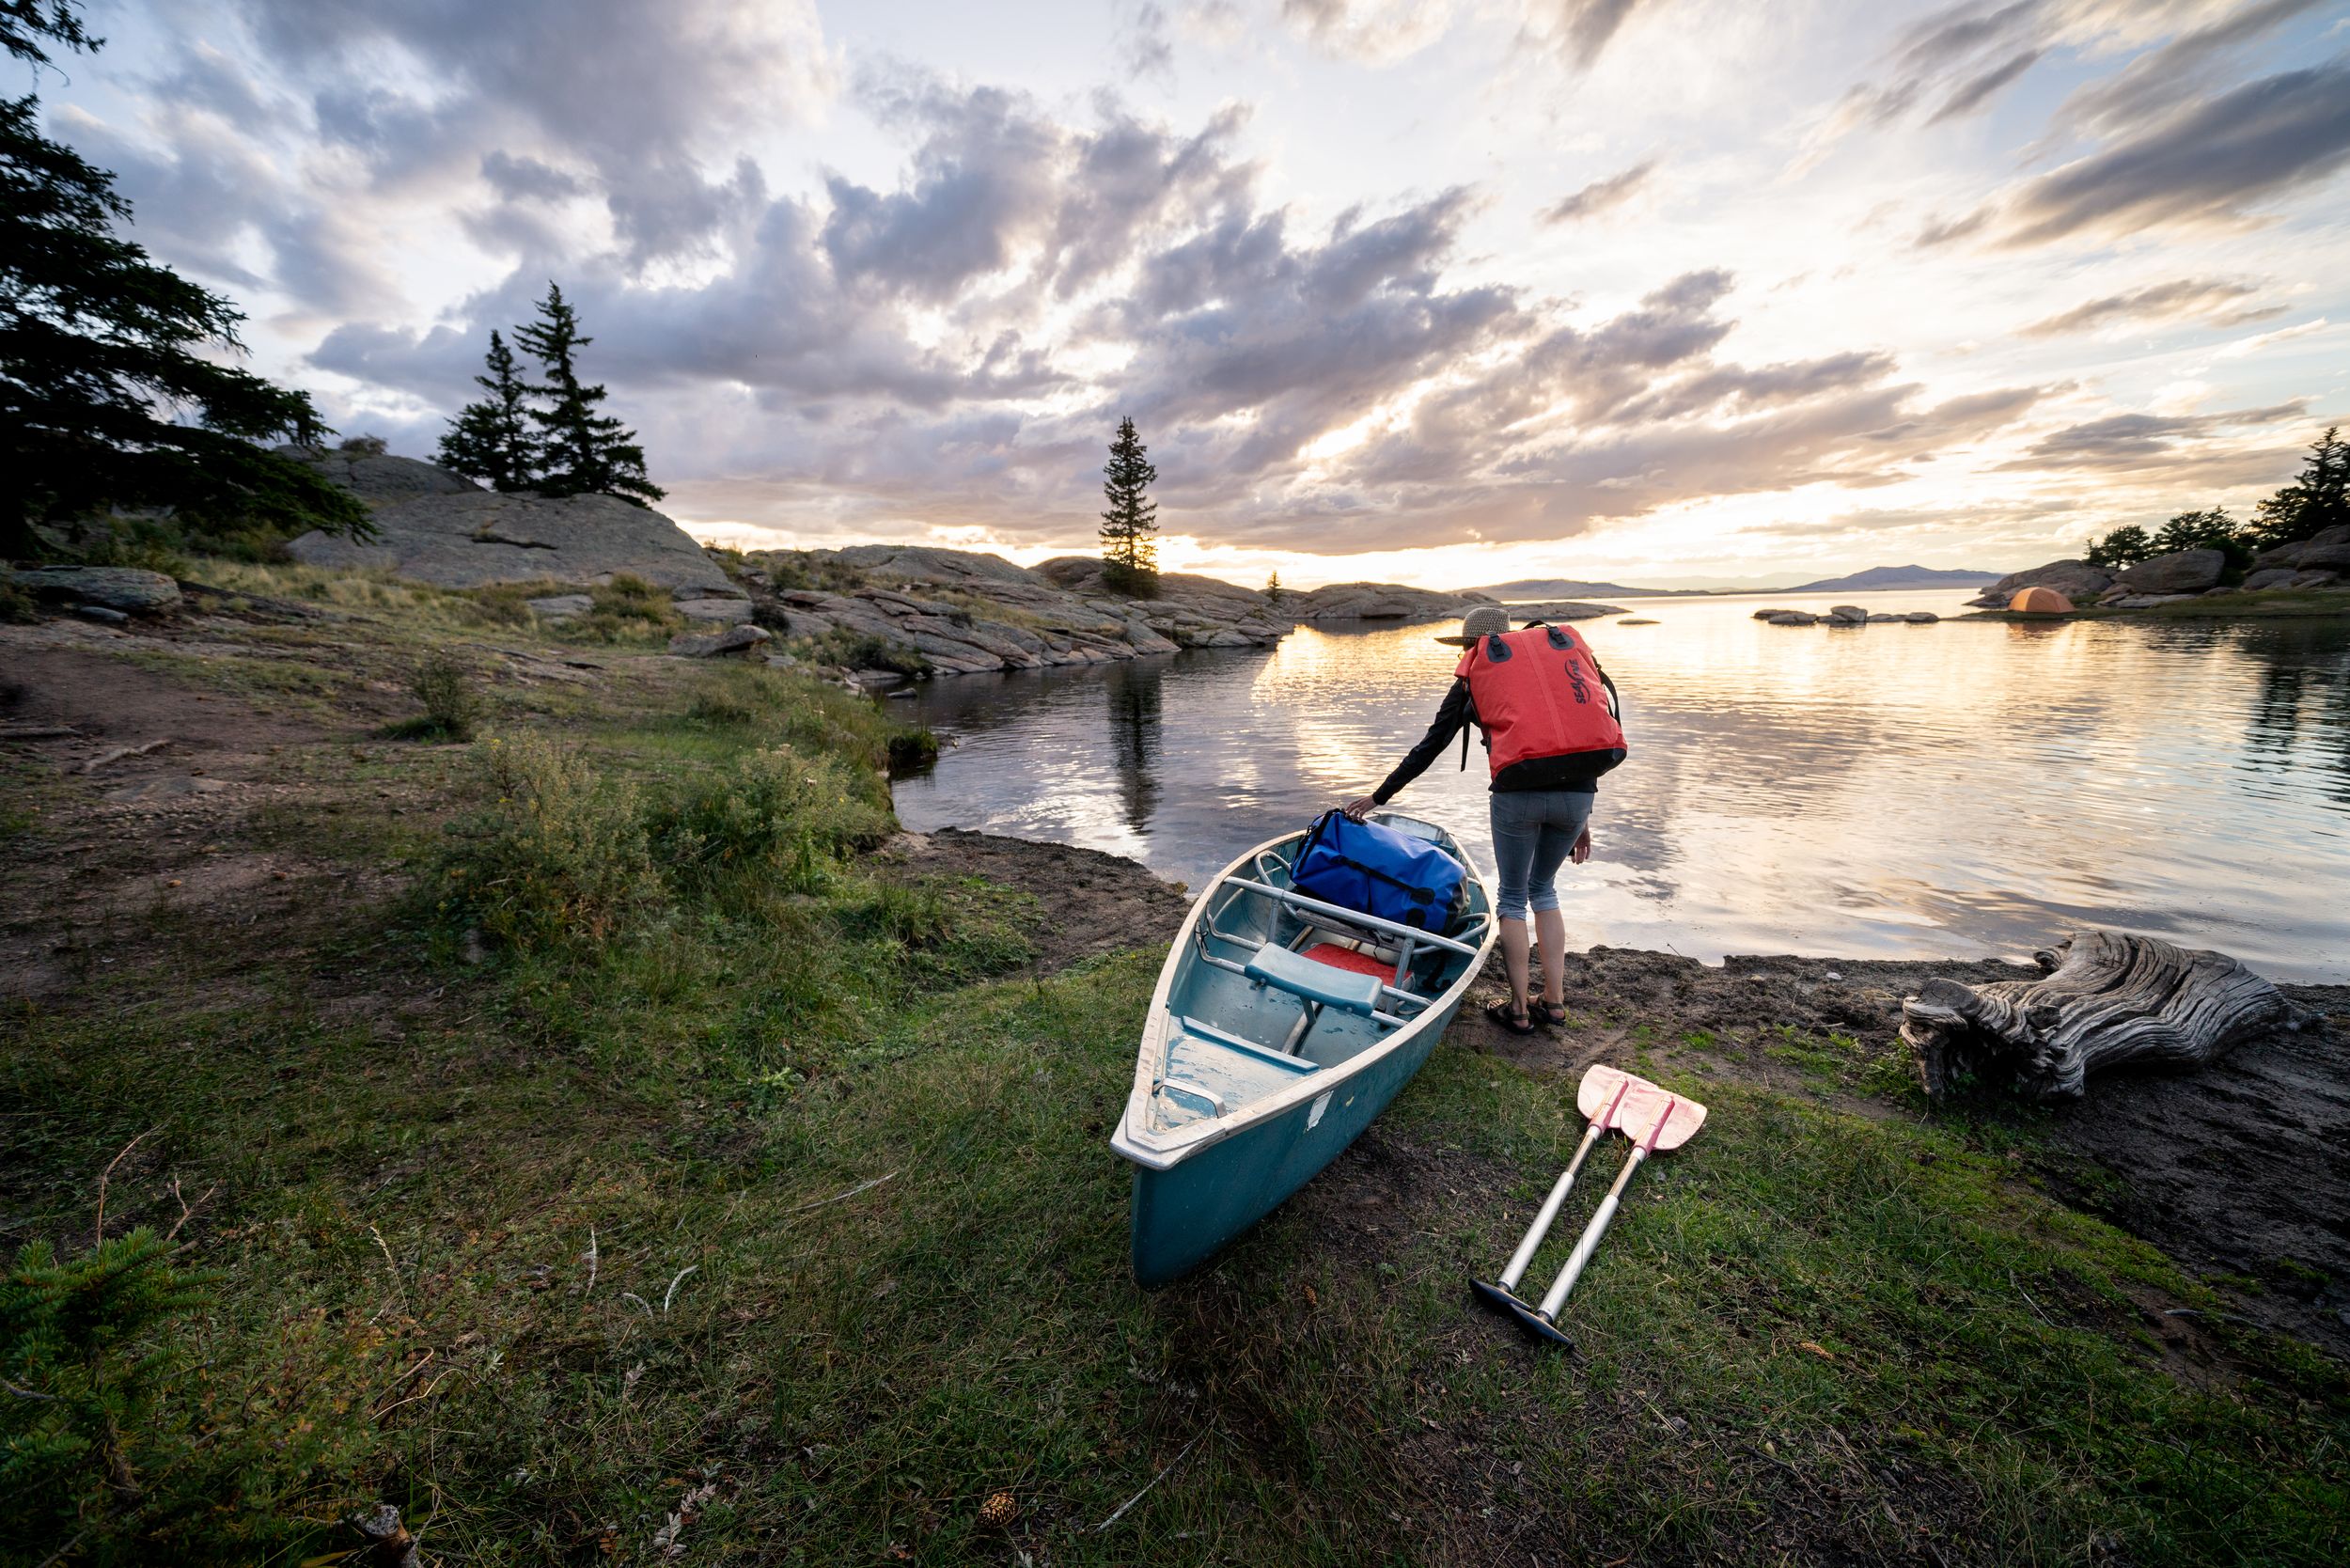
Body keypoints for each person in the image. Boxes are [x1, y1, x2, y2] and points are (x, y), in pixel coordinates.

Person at [1342, 604, 1626, 1034]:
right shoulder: (1547, 670)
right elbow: (1571, 741)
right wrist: (1581, 819)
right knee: (1544, 891)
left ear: (1471, 646)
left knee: (1513, 900)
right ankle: (1554, 1002)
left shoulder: (1475, 677)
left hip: (1517, 797)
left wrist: (1379, 796)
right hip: (1578, 795)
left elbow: (1429, 746)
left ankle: (1517, 1009)